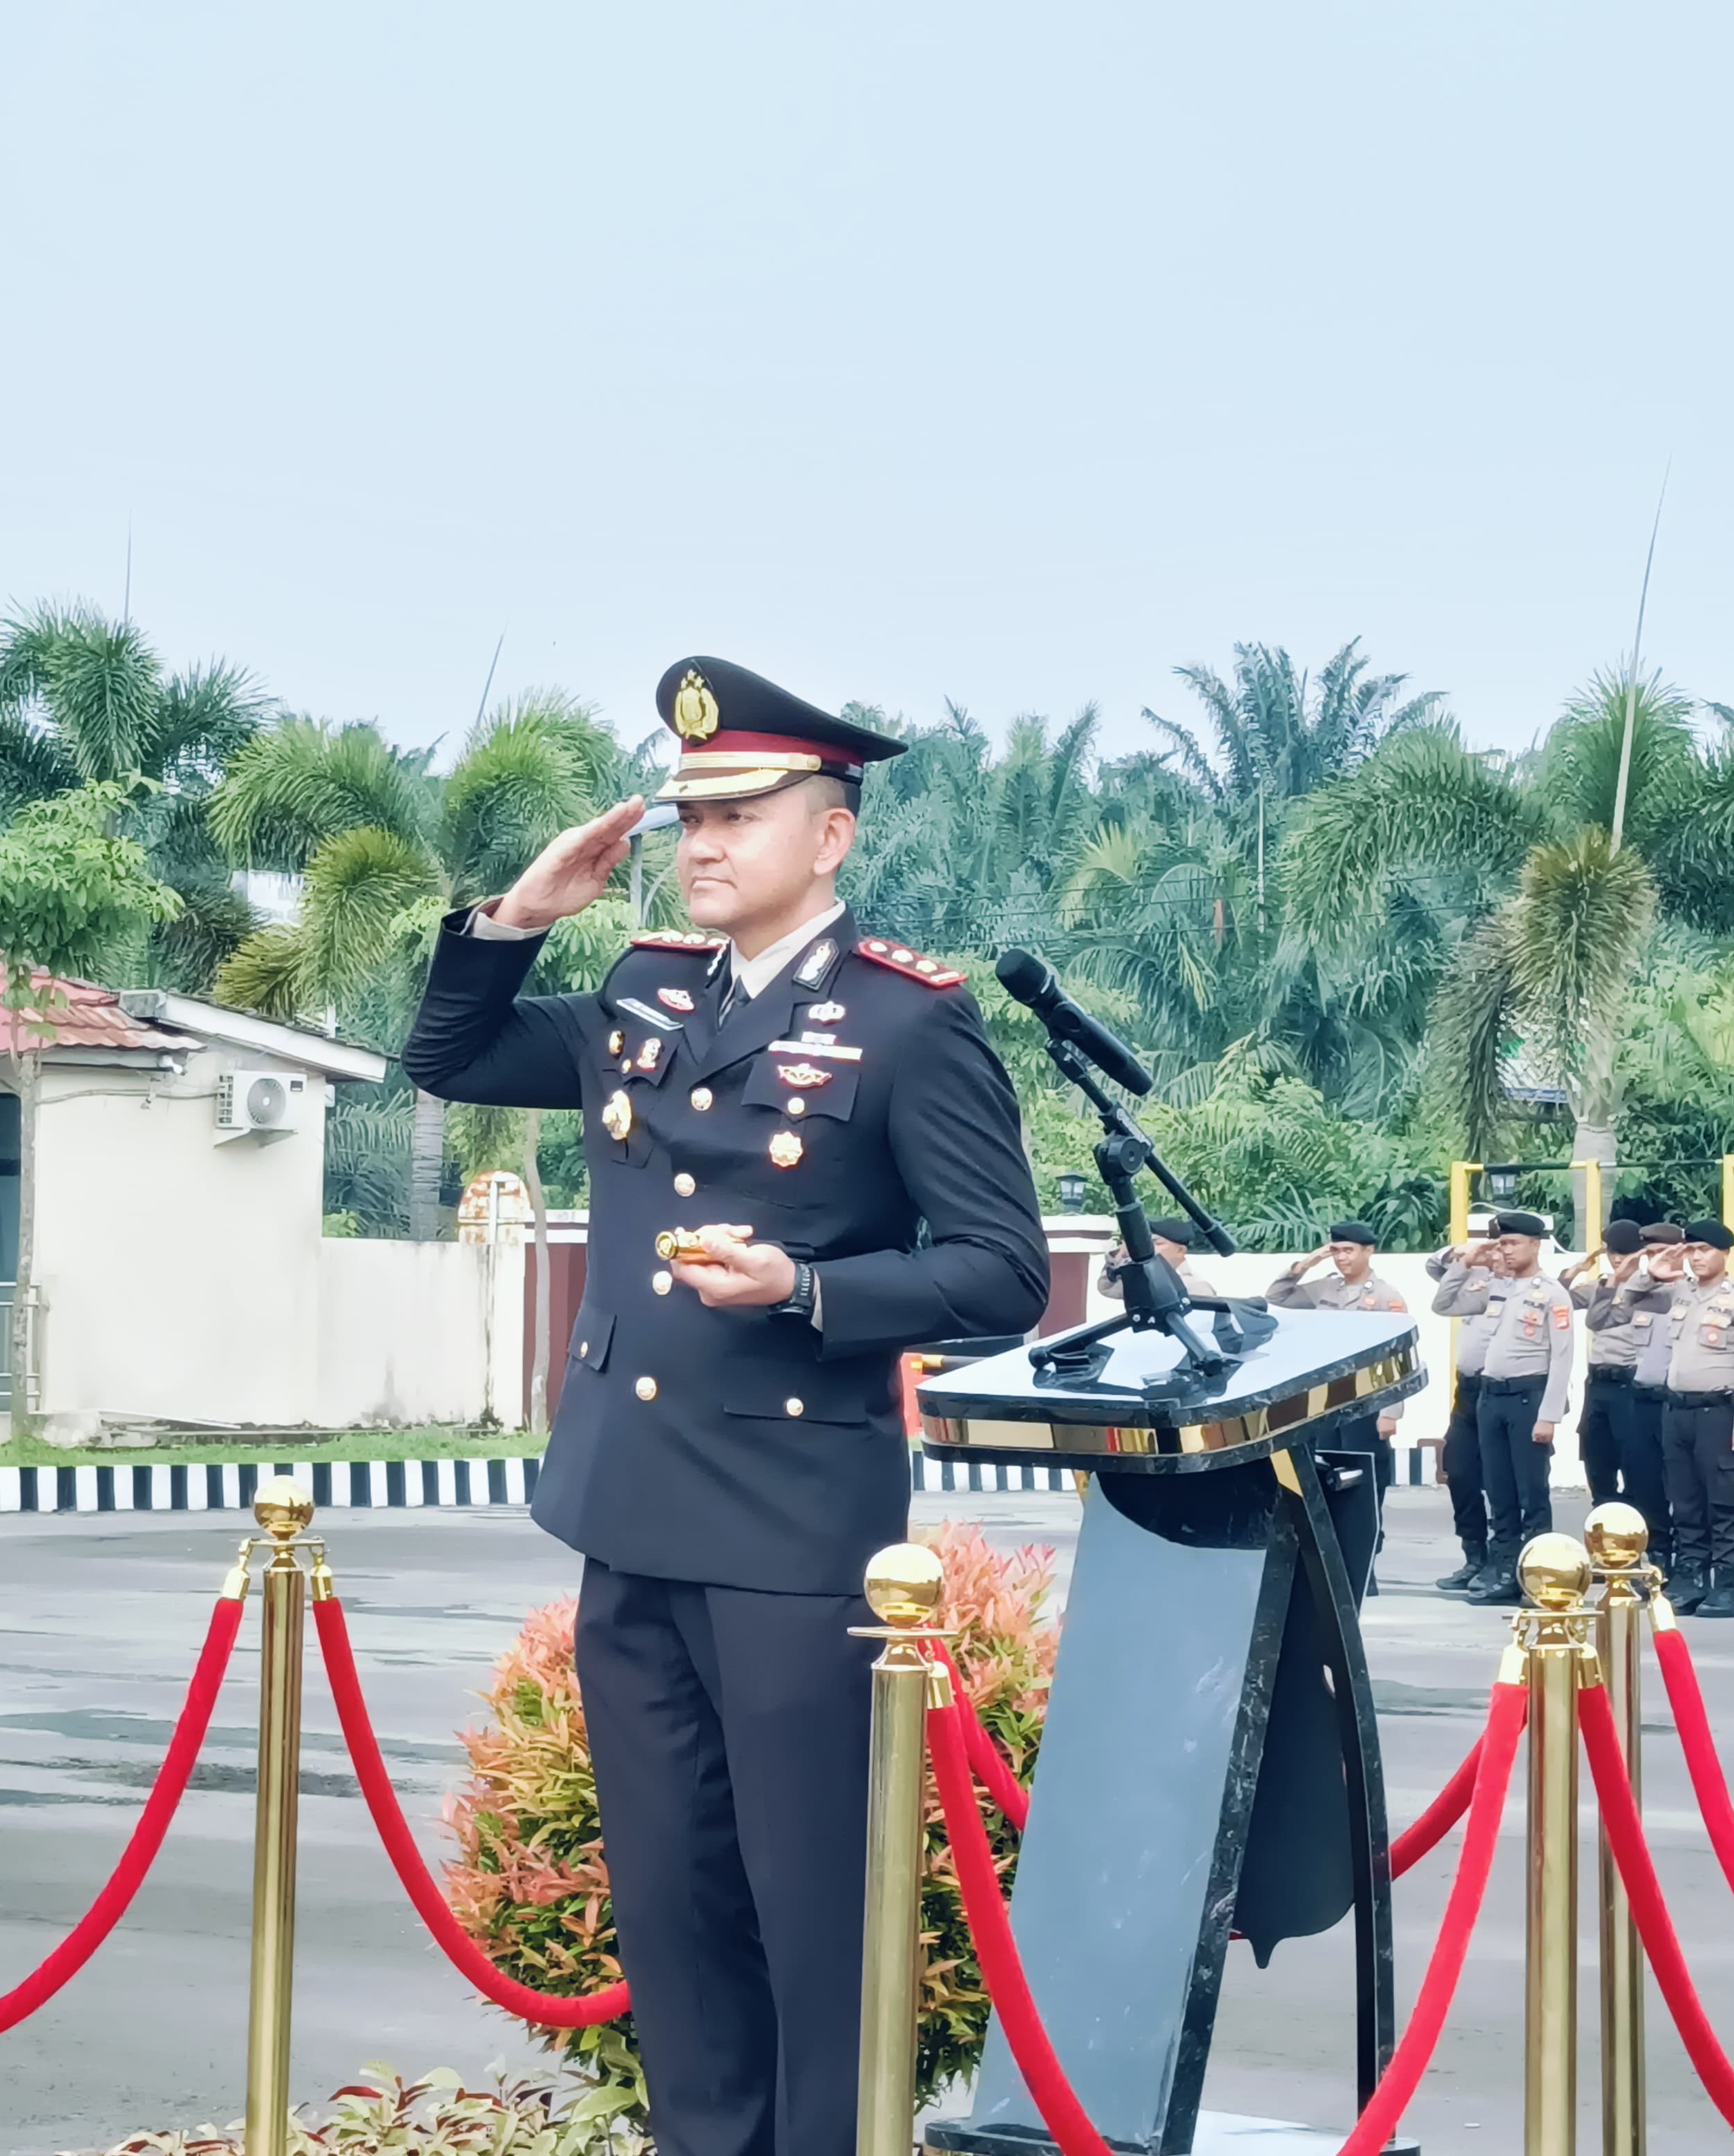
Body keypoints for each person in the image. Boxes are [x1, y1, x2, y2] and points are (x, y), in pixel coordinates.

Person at [401, 656, 1050, 2156]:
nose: (701, 845)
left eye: (738, 817)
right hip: (629, 1508)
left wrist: (809, 1290)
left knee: (806, 1903)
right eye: (689, 818)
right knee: (672, 1903)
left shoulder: (905, 1024)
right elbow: (446, 1058)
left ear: (829, 837)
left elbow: (1002, 1270)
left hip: (789, 1532)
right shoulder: (645, 988)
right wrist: (519, 916)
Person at [1429, 1209, 1574, 1604]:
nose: (1505, 1250)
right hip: (1490, 1398)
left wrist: (1549, 1416)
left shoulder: (1552, 1294)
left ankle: (1540, 1575)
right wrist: (1465, 1263)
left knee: (1531, 1493)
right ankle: (1504, 1570)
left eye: (1513, 1243)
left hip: (1528, 1398)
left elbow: (1562, 1357)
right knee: (1499, 1491)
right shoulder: (1494, 1287)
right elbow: (1444, 1304)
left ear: (1535, 1245)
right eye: (1502, 1243)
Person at [1270, 1221, 1411, 1583]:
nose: (1342, 1258)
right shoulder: (1324, 1289)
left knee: (1365, 1486)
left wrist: (1391, 1411)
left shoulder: (1386, 1296)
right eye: (1336, 1251)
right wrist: (1308, 1263)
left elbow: (1397, 1356)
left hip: (1366, 1404)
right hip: (1325, 1403)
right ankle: (1333, 1567)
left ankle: (1365, 1569)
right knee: (1325, 1480)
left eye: (1349, 1251)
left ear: (1368, 1251)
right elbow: (1277, 1295)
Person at [1657, 1220, 1734, 1618]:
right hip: (1677, 1411)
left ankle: (1724, 1585)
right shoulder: (1678, 1292)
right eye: (1691, 1250)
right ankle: (1691, 1579)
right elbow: (1631, 1295)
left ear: (1725, 1254)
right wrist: (1656, 1267)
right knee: (1684, 1501)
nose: (1696, 1257)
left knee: (1722, 1502)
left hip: (1718, 1413)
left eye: (1704, 1250)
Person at [1590, 1222, 1689, 1587]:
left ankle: (1689, 1564)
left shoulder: (1691, 1292)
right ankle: (1658, 1559)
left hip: (1677, 1401)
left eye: (1661, 1253)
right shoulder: (1642, 1294)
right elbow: (1598, 1320)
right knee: (1646, 1485)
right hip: (1641, 1399)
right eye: (1649, 1254)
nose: (1654, 1260)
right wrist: (1626, 1279)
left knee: (1681, 1487)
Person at [1422, 1234, 1500, 1593]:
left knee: (1502, 1481)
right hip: (1468, 1391)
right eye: (1494, 1244)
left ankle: (1503, 1560)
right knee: (1460, 1471)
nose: (1498, 1251)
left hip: (1503, 1391)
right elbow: (1433, 1267)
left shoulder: (1522, 1284)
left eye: (1505, 1244)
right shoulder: (1472, 1275)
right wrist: (1463, 1254)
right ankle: (1474, 1556)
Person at [1563, 1222, 1642, 1511]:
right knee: (1596, 1457)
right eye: (1613, 1252)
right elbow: (1555, 1300)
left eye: (1626, 1253)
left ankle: (1638, 1527)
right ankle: (1604, 1521)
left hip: (1630, 1382)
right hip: (1598, 1384)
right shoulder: (1599, 1286)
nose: (1618, 1259)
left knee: (1635, 1461)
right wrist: (1576, 1270)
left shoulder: (1648, 1288)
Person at [1106, 1216, 1219, 1299]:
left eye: (1157, 1243)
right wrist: (1118, 1255)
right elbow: (1107, 1288)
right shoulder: (1146, 1278)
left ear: (1180, 1251)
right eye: (1147, 1244)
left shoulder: (1197, 1287)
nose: (1150, 1250)